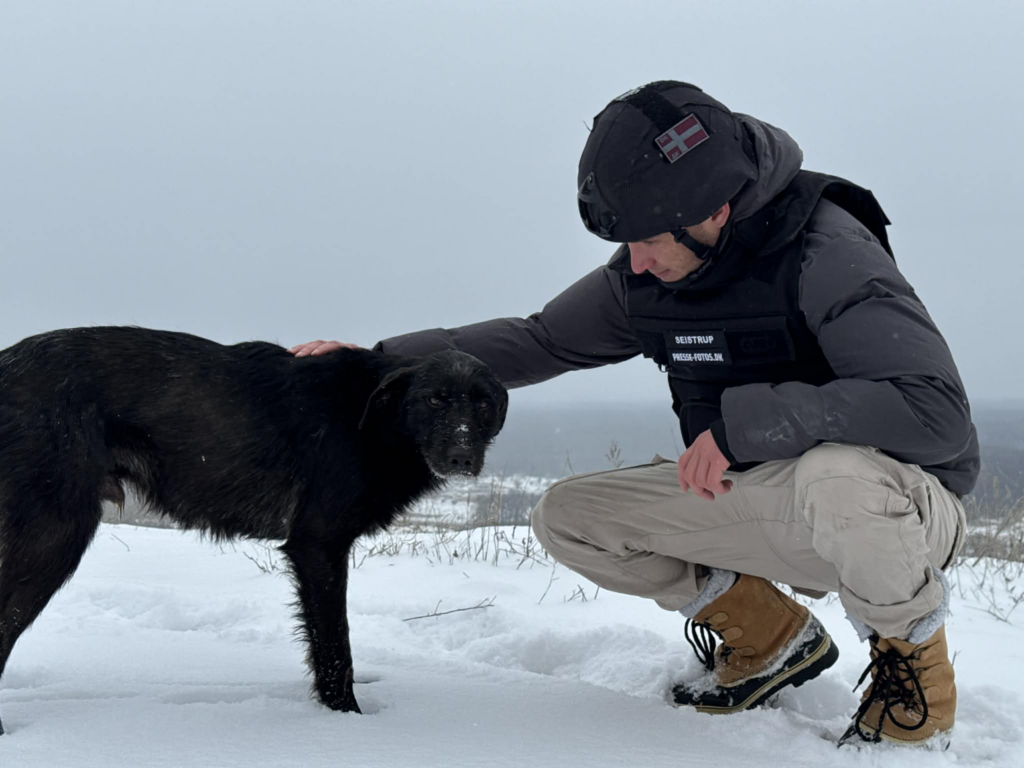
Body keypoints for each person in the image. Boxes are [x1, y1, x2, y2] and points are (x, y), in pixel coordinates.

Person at [291, 80, 975, 747]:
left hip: (900, 515)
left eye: (647, 240)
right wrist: (380, 360)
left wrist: (743, 429)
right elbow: (539, 339)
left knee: (837, 477)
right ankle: (771, 639)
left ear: (714, 211)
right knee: (570, 516)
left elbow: (933, 410)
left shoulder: (828, 251)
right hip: (770, 501)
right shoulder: (647, 278)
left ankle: (916, 687)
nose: (636, 263)